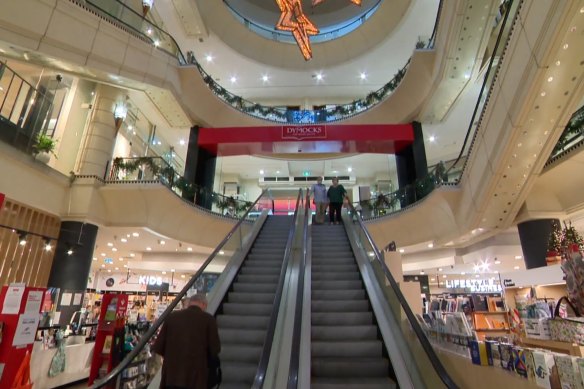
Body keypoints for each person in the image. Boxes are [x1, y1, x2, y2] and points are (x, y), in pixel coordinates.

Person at [152, 294, 221, 389]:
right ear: (204, 304)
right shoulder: (208, 320)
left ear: (189, 303)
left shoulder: (172, 317)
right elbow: (215, 349)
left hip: (172, 377)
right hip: (196, 378)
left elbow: (158, 347)